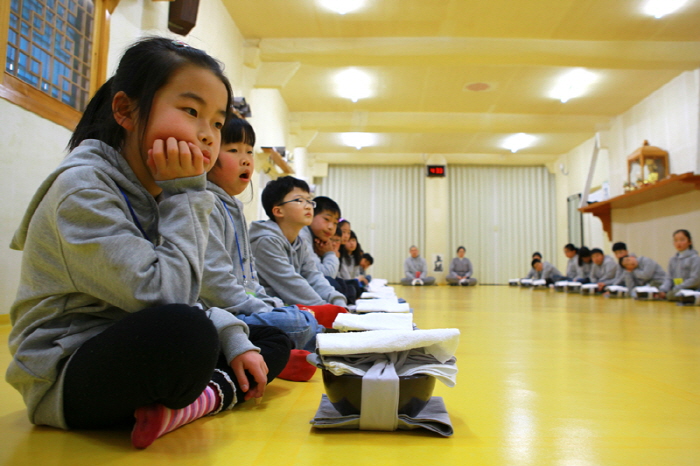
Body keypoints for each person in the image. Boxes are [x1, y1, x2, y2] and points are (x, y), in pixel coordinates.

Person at [5, 37, 292, 449]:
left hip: (136, 336)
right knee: (185, 332)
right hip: (66, 373)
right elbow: (167, 297)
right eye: (191, 112)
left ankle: (199, 399)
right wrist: (190, 195)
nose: (208, 136)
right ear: (125, 110)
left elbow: (193, 292)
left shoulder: (161, 192)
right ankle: (212, 391)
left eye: (216, 122)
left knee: (266, 339)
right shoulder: (83, 189)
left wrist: (234, 340)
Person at [200, 117, 321, 352]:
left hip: (246, 308)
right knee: (299, 323)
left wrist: (274, 306)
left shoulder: (234, 208)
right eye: (233, 150)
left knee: (301, 321)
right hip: (221, 314)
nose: (245, 159)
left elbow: (252, 281)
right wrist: (273, 309)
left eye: (249, 151)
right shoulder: (205, 204)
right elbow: (215, 283)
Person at [249, 176, 348, 309]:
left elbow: (313, 276)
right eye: (299, 200)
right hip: (266, 307)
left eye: (309, 200)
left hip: (289, 304)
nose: (308, 206)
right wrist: (326, 309)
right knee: (299, 321)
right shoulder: (266, 241)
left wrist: (338, 302)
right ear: (278, 211)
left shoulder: (299, 242)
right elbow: (291, 284)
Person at [658, 229, 700, 300]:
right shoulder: (672, 259)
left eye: (682, 240)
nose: (678, 243)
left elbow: (695, 279)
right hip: (676, 289)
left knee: (671, 295)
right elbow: (669, 278)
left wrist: (677, 287)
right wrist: (663, 290)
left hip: (692, 289)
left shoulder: (695, 258)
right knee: (659, 289)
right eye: (676, 240)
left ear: (689, 242)